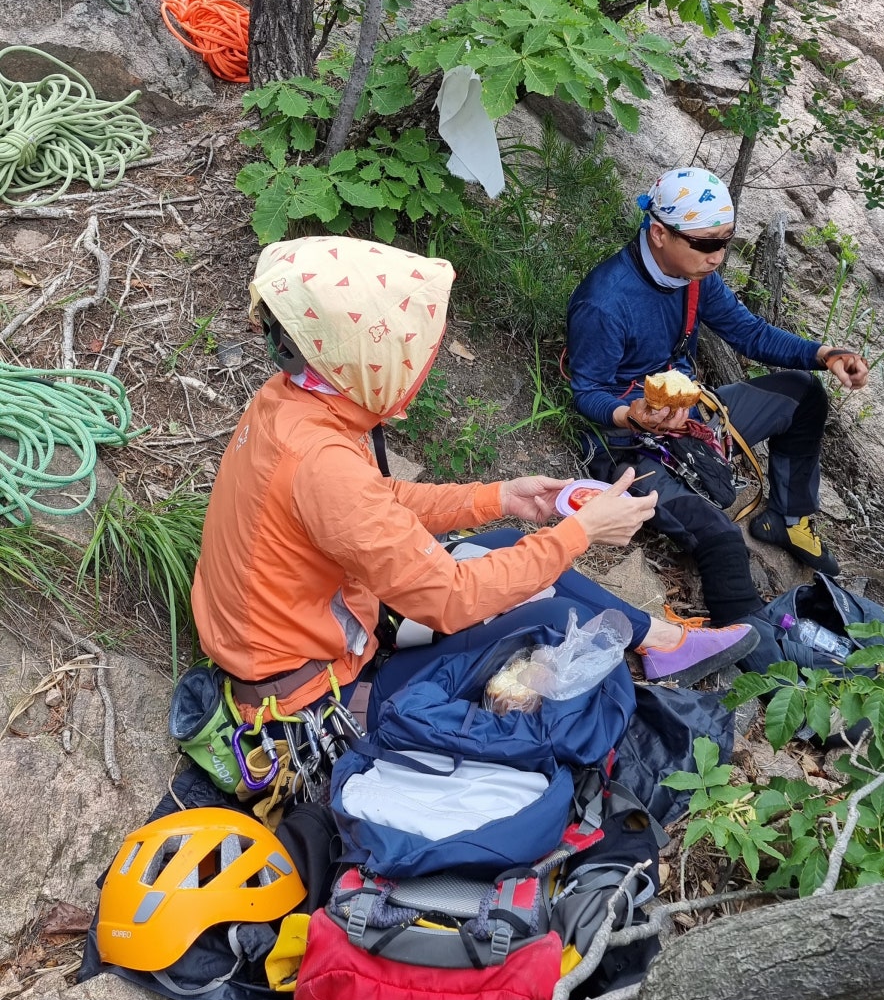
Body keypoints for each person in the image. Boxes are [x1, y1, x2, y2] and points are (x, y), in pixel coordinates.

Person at [192, 233, 757, 718]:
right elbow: (449, 599)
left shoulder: (291, 403)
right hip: (312, 693)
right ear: (363, 355)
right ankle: (661, 644)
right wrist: (578, 535)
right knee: (548, 610)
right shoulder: (322, 461)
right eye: (409, 350)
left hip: (295, 639)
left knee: (512, 545)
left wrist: (500, 497)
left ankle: (661, 641)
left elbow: (373, 500)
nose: (421, 363)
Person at [566, 167, 869, 656]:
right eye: (706, 244)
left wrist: (823, 354)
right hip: (628, 443)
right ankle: (753, 653)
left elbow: (749, 333)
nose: (717, 257)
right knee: (721, 538)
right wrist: (632, 415)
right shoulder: (605, 302)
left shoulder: (694, 275)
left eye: (725, 243)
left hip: (693, 414)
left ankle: (787, 518)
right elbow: (588, 392)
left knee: (803, 393)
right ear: (659, 234)